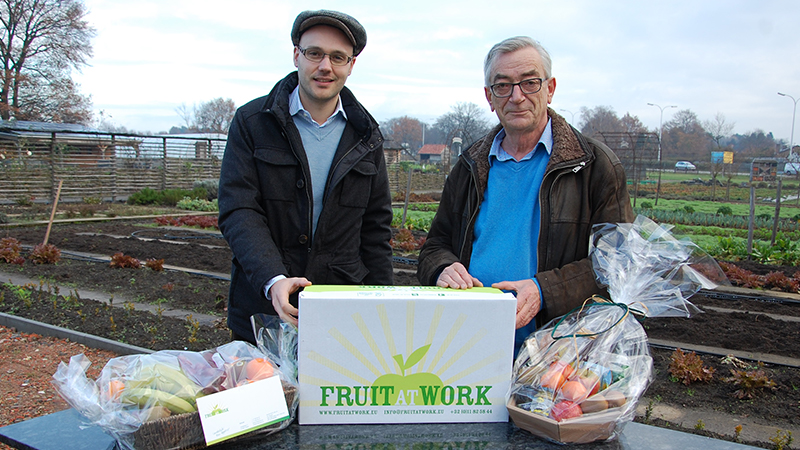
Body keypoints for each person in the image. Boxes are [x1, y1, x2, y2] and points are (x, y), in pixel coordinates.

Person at [416, 36, 634, 354]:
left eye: (530, 83)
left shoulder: (595, 166)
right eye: (503, 86)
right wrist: (442, 268)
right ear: (490, 97)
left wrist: (544, 290)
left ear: (550, 88)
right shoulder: (469, 165)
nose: (516, 97)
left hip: (558, 351)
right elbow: (435, 246)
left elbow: (618, 263)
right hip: (468, 345)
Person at [218, 10, 393, 344]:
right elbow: (239, 209)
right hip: (263, 310)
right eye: (315, 53)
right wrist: (272, 278)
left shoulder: (366, 135)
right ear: (296, 55)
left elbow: (375, 230)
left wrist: (384, 312)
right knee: (258, 379)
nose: (325, 66)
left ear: (351, 65)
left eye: (338, 57)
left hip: (341, 313)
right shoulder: (254, 123)